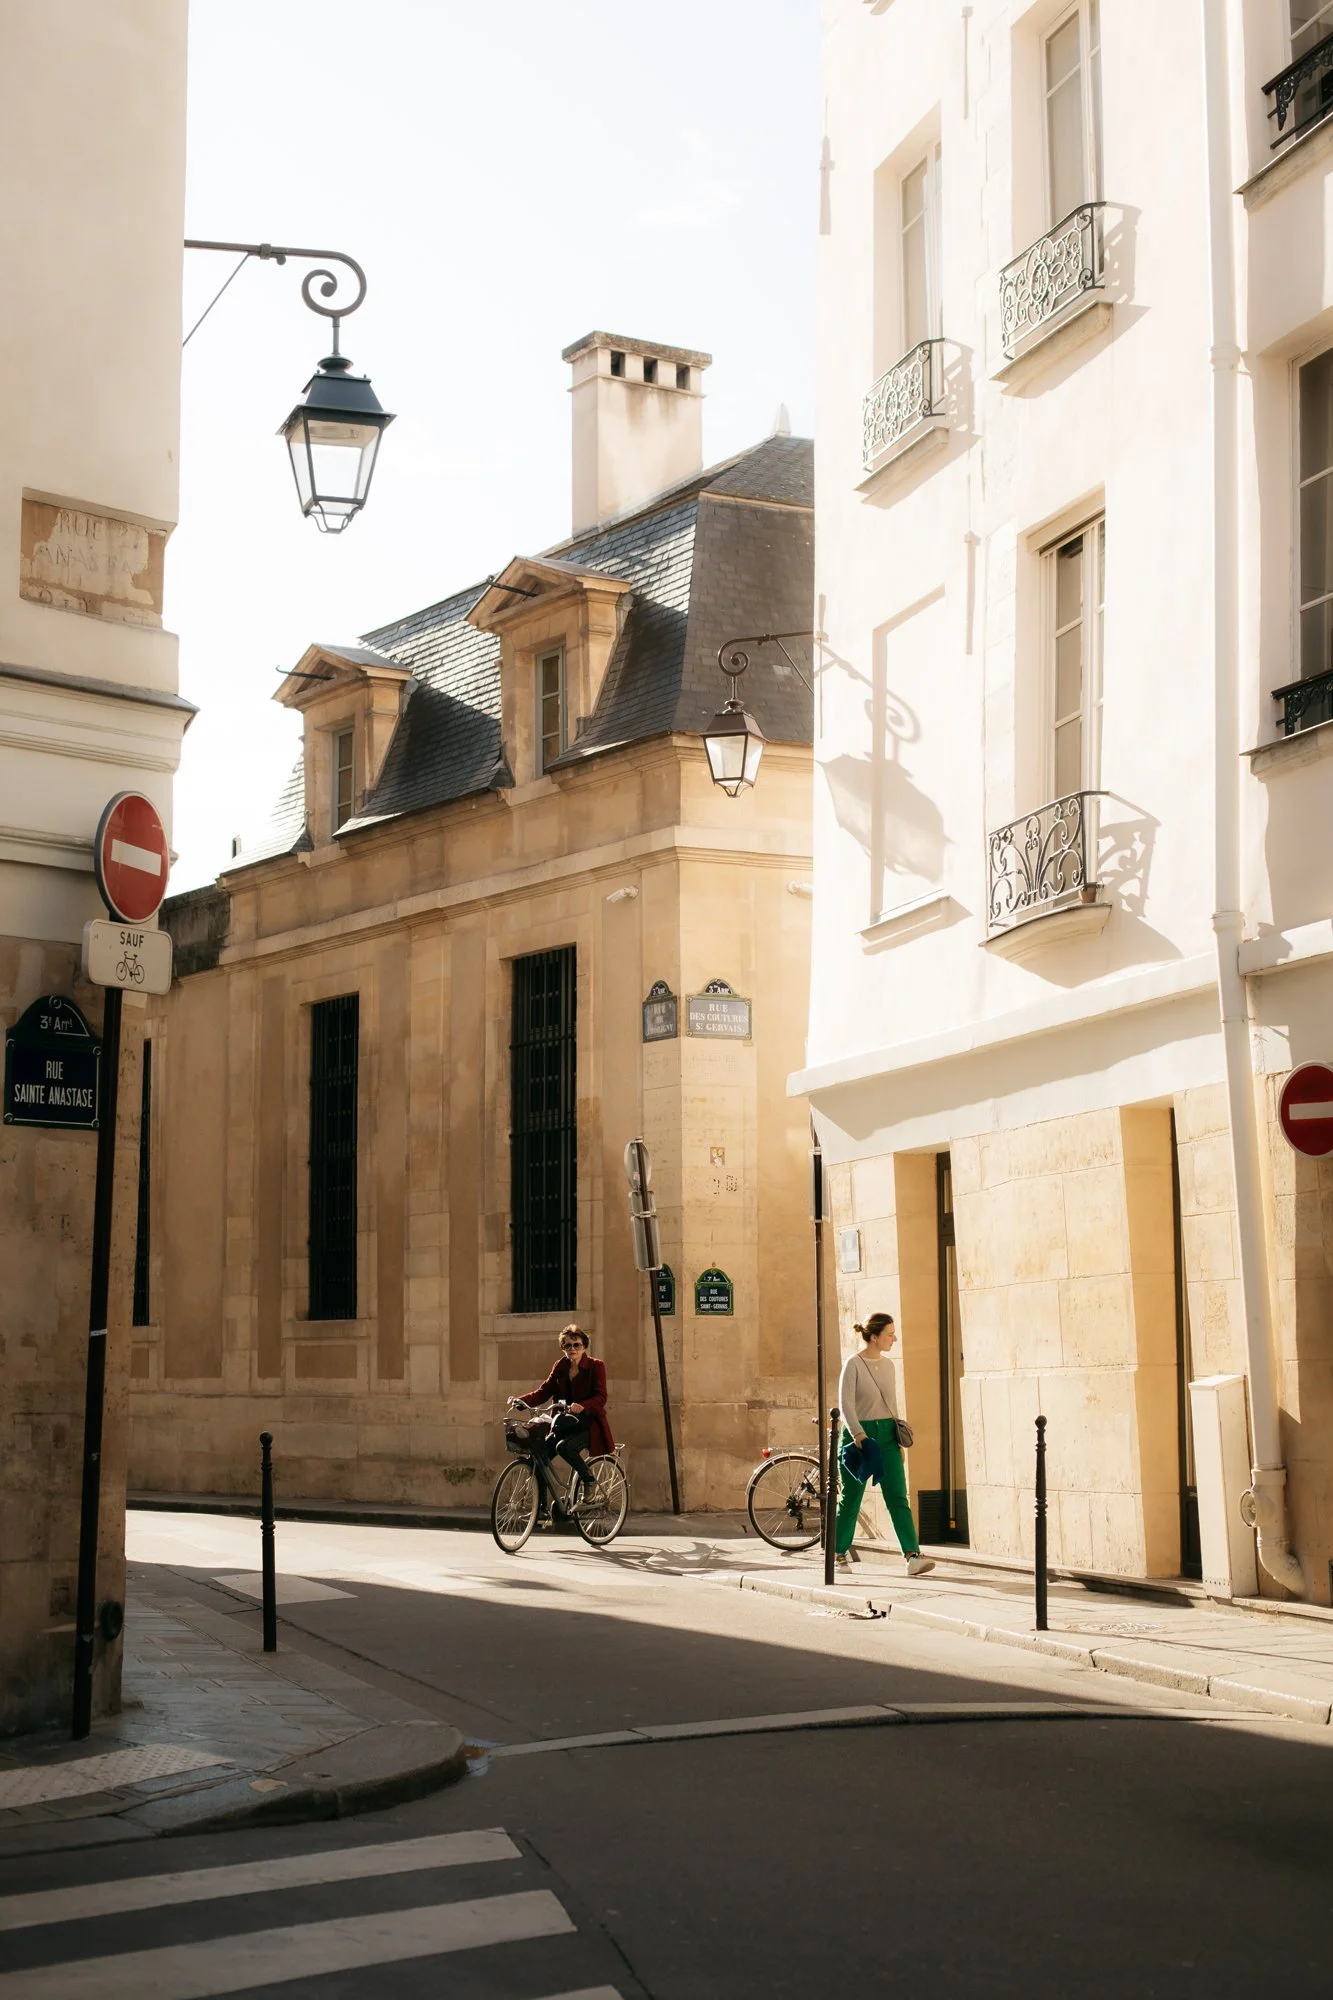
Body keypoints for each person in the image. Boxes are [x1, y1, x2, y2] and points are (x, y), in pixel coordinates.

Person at [836, 1312, 935, 1575]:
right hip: (859, 1436)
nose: (895, 1338)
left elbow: (891, 1405)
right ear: (875, 1336)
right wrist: (858, 1435)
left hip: (887, 1435)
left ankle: (912, 1555)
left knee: (897, 1496)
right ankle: (837, 1553)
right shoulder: (853, 1364)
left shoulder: (889, 1366)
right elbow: (845, 1405)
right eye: (890, 1334)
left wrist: (897, 1439)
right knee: (851, 1498)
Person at [508, 1325, 614, 1524]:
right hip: (563, 1423)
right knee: (540, 1456)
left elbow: (601, 1396)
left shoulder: (596, 1366)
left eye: (576, 1344)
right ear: (562, 1348)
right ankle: (541, 1511)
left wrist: (582, 1406)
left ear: (584, 1346)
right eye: (567, 1345)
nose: (572, 1349)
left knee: (564, 1447)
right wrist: (521, 1402)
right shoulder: (561, 1366)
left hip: (588, 1424)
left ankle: (589, 1481)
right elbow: (544, 1390)